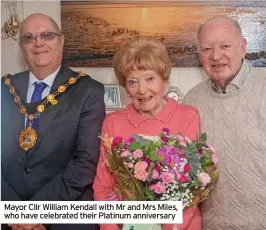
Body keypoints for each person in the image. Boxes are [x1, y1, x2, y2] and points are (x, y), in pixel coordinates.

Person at [1, 13, 105, 230]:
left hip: (64, 217)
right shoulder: (4, 88)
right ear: (21, 47)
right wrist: (14, 213)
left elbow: (85, 163)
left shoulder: (88, 90)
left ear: (61, 41)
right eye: (29, 37)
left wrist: (36, 213)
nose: (38, 42)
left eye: (47, 35)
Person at [93, 37, 202, 230]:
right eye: (132, 82)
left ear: (164, 79)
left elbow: (192, 188)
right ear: (125, 87)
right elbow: (103, 186)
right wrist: (110, 227)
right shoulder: (113, 123)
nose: (142, 90)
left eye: (150, 78)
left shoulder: (187, 116)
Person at [184, 16, 266, 230]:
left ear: (243, 46)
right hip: (212, 225)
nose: (216, 56)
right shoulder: (191, 101)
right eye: (207, 48)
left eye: (225, 46)